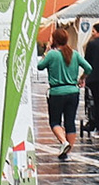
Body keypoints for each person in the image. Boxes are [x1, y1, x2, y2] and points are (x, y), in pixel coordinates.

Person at [36, 27, 90, 159]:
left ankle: (64, 142)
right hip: (73, 91)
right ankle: (67, 153)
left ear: (54, 40)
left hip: (56, 92)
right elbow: (88, 68)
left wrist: (46, 51)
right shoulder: (74, 54)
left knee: (55, 121)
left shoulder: (52, 54)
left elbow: (40, 66)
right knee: (70, 122)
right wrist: (82, 78)